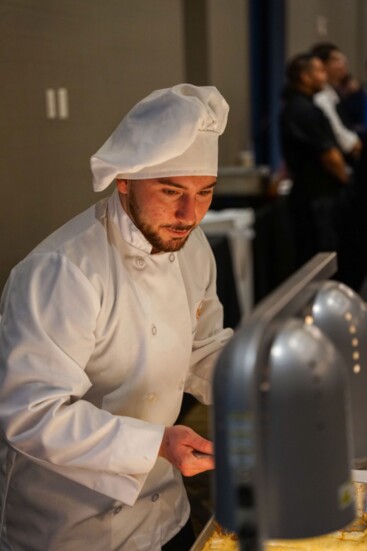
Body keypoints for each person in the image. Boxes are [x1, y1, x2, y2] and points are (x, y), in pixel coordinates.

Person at [0, 84, 233, 550]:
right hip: (71, 525)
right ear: (124, 181)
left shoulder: (192, 246)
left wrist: (259, 381)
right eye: (171, 191)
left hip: (165, 508)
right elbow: (31, 414)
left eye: (204, 192)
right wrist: (157, 444)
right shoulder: (62, 271)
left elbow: (202, 349)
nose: (190, 214)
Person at [279, 52, 351, 267]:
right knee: (320, 260)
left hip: (313, 196)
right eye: (319, 71)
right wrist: (348, 183)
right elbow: (330, 156)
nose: (324, 76)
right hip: (317, 200)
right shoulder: (304, 110)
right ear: (304, 76)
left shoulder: (299, 107)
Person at [310, 42, 363, 163]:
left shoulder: (333, 91)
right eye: (336, 60)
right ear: (322, 65)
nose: (343, 63)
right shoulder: (321, 97)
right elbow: (339, 135)